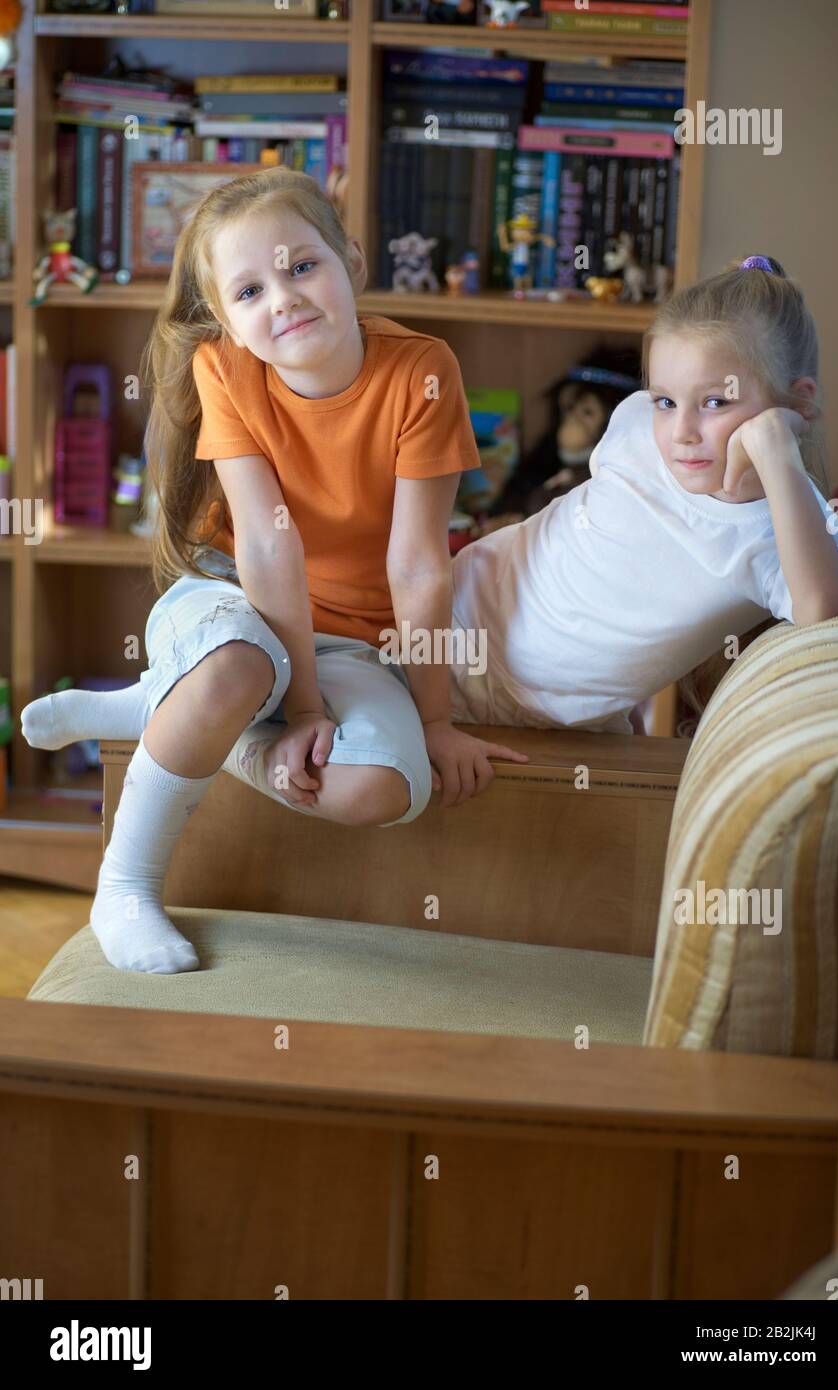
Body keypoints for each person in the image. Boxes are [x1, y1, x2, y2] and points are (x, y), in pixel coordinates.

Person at [21, 166, 527, 974]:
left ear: (352, 262)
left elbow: (421, 566)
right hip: (233, 600)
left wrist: (432, 720)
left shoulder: (423, 371)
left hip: (355, 640)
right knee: (237, 665)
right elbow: (266, 545)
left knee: (381, 789)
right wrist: (300, 713)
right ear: (225, 318)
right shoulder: (223, 369)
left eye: (302, 266)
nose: (283, 299)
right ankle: (124, 885)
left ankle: (160, 708)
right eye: (249, 291)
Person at [446, 254, 838, 735]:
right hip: (456, 620)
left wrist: (779, 458)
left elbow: (826, 615)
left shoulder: (779, 535)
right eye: (666, 400)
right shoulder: (637, 423)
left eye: (715, 402)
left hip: (548, 717)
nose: (681, 430)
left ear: (798, 402)